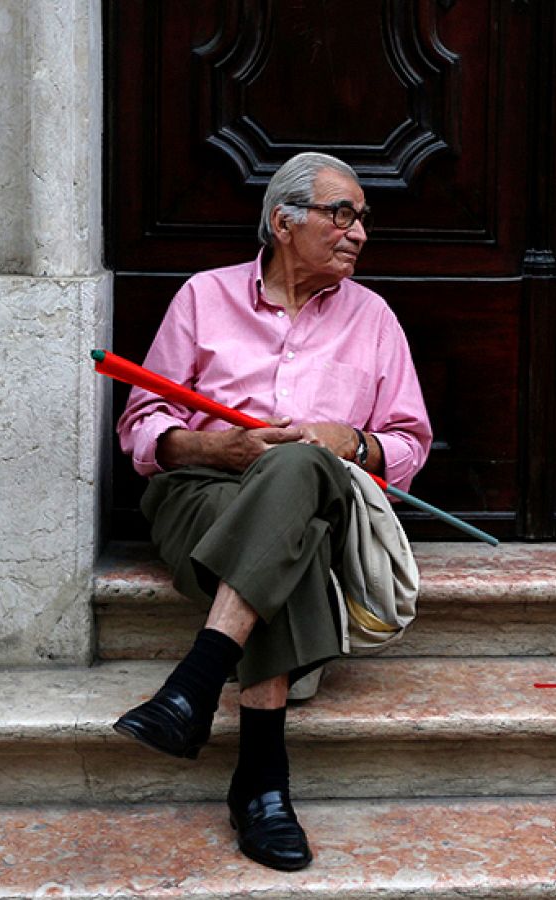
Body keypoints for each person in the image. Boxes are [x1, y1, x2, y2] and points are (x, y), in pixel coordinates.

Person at [112, 151, 431, 871]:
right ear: (283, 223)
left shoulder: (373, 317)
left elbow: (409, 445)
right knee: (292, 539)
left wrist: (350, 442)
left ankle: (197, 682)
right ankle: (260, 783)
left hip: (326, 499)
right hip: (201, 493)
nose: (358, 233)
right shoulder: (204, 297)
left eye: (363, 219)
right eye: (341, 214)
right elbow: (142, 425)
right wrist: (217, 447)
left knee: (301, 465)